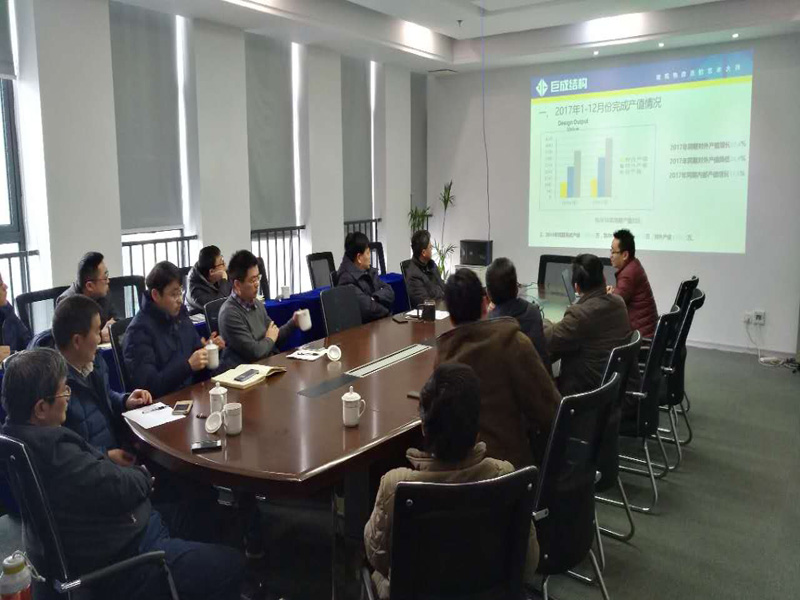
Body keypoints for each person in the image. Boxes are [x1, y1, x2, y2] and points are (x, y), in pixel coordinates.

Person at [0, 349, 245, 600]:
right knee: (232, 564)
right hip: (131, 555)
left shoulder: (20, 441)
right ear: (41, 408)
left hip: (116, 531)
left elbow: (92, 479)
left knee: (208, 510)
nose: (68, 398)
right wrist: (143, 475)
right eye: (64, 392)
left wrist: (117, 467)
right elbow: (116, 486)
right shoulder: (55, 453)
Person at [364, 363, 540, 599]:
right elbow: (528, 562)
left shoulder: (395, 486)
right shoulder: (504, 476)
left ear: (424, 428)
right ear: (477, 428)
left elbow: (376, 556)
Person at [436, 268, 560, 468]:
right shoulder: (514, 342)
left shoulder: (443, 360)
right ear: (485, 304)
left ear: (450, 317)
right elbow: (550, 410)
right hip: (513, 472)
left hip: (463, 475)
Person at [53, 295, 152, 466]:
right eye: (97, 332)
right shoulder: (56, 388)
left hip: (114, 452)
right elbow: (65, 452)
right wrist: (106, 456)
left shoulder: (95, 362)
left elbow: (105, 396)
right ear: (77, 341)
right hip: (95, 468)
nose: (100, 339)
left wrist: (125, 400)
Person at [124, 261, 225, 398]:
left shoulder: (181, 315)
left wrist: (208, 350)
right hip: (164, 404)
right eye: (174, 294)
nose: (180, 300)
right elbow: (148, 387)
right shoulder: (138, 332)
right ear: (155, 295)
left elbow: (194, 350)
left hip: (191, 395)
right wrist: (188, 366)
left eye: (180, 292)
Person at [544, 254, 632, 397]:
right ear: (604, 279)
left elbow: (547, 339)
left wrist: (544, 321)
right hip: (615, 388)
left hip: (587, 395)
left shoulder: (580, 315)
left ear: (577, 287)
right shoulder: (619, 303)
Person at [219, 250, 301, 365]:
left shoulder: (257, 303)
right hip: (248, 370)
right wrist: (270, 339)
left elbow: (274, 335)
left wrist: (293, 323)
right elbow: (255, 353)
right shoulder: (229, 314)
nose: (257, 284)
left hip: (267, 365)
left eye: (258, 278)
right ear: (237, 285)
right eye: (252, 280)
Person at [485, 257, 550, 374]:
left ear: (488, 294)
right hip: (537, 381)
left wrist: (490, 313)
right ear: (516, 288)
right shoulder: (533, 312)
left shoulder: (488, 323)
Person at [57, 252, 119, 343]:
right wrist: (100, 336)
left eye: (107, 275)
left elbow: (115, 320)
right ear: (90, 286)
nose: (108, 281)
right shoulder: (67, 304)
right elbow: (74, 342)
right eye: (105, 278)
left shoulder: (104, 293)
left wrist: (114, 328)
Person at [608, 229, 658, 338]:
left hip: (641, 337)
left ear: (625, 255)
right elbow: (622, 294)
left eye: (613, 252)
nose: (610, 255)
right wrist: (612, 292)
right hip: (645, 330)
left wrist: (607, 295)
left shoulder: (628, 274)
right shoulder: (633, 265)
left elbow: (614, 305)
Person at [336, 232, 395, 323]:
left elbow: (389, 291)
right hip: (363, 328)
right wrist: (387, 313)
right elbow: (368, 308)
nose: (370, 256)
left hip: (377, 323)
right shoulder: (346, 279)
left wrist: (374, 298)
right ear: (359, 258)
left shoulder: (368, 270)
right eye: (367, 253)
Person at [185, 245, 232, 315]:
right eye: (221, 263)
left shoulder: (217, 274)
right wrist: (224, 280)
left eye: (222, 259)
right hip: (202, 319)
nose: (225, 264)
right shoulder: (196, 291)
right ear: (212, 271)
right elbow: (218, 306)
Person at [404, 229, 445, 308]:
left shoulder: (431, 264)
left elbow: (442, 285)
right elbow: (425, 302)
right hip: (430, 312)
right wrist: (441, 293)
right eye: (430, 247)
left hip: (442, 305)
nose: (432, 248)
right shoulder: (413, 275)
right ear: (423, 252)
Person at [0, 272, 31, 359]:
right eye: (0, 284)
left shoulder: (6, 311)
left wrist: (13, 354)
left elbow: (28, 343)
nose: (5, 287)